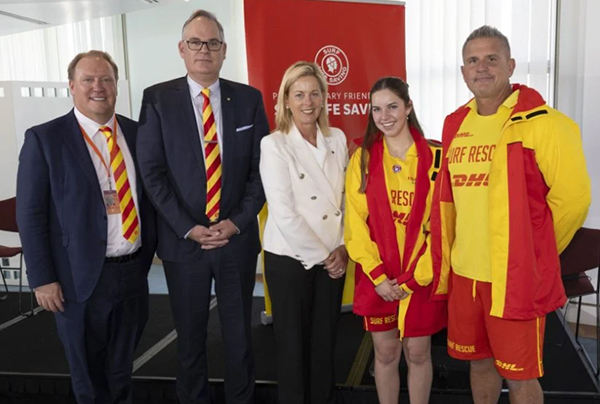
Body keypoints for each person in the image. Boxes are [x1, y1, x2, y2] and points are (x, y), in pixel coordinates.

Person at [430, 26, 591, 404]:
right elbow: (448, 199)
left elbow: (573, 201)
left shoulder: (547, 124)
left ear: (511, 65)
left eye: (491, 59)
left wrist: (535, 252)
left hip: (512, 279)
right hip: (464, 274)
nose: (481, 68)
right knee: (478, 364)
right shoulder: (456, 123)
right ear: (463, 71)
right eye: (473, 60)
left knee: (520, 378)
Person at [135, 9, 269, 404]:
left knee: (239, 339)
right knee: (190, 341)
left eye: (212, 43)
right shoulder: (157, 99)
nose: (204, 50)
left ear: (224, 50)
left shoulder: (247, 99)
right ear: (182, 49)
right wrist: (188, 227)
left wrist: (237, 222)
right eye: (196, 42)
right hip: (184, 246)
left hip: (235, 243)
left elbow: (261, 172)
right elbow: (151, 172)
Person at [16, 50, 157, 404]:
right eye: (88, 80)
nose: (99, 87)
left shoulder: (139, 134)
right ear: (72, 86)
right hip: (76, 279)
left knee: (122, 370)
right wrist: (42, 278)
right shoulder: (45, 139)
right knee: (88, 379)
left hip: (133, 272)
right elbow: (30, 214)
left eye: (106, 79)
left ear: (117, 85)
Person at [345, 76, 446, 404]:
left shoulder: (436, 157)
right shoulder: (362, 158)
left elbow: (444, 224)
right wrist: (377, 275)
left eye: (392, 106)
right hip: (380, 278)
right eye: (376, 109)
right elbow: (355, 224)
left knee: (418, 353)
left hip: (420, 275)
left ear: (408, 108)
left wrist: (416, 277)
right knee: (386, 353)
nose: (384, 115)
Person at [259, 61, 348, 404]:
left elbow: (344, 200)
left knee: (325, 347)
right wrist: (326, 256)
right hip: (290, 260)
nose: (307, 101)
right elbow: (284, 213)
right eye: (299, 94)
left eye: (314, 93)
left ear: (324, 98)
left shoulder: (336, 138)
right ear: (285, 100)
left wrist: (342, 248)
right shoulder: (275, 144)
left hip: (334, 257)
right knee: (293, 351)